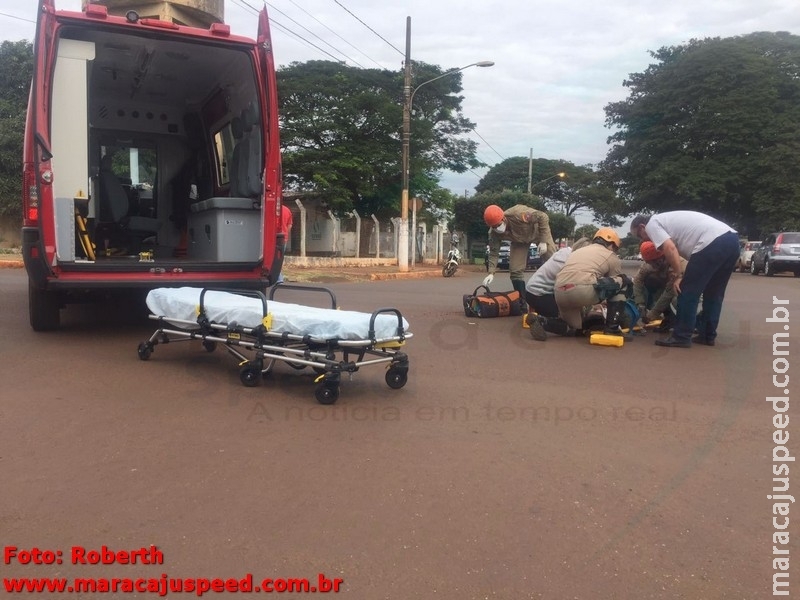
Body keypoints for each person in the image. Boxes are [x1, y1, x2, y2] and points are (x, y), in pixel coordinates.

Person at [630, 211, 740, 348]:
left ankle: (681, 336)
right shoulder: (666, 221)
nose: (644, 240)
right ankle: (707, 335)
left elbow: (670, 248)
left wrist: (679, 275)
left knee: (686, 291)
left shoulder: (652, 224)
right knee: (714, 293)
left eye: (640, 236)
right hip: (732, 241)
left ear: (642, 227)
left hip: (710, 242)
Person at [547, 228, 633, 340]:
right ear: (612, 245)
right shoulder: (610, 255)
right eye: (615, 248)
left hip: (559, 292)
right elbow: (615, 284)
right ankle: (612, 329)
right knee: (624, 281)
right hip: (582, 291)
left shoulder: (577, 252)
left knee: (576, 329)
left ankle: (544, 322)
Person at [482, 204, 557, 304]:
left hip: (538, 233)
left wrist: (543, 240)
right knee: (515, 270)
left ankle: (561, 294)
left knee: (554, 261)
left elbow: (542, 216)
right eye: (493, 226)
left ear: (504, 218)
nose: (497, 228)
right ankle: (522, 301)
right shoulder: (493, 233)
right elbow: (494, 252)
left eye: (498, 225)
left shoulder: (518, 214)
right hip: (519, 241)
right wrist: (491, 272)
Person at [524, 237, 591, 341]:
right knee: (573, 327)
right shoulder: (570, 264)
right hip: (541, 295)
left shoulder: (565, 252)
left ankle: (541, 317)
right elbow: (567, 290)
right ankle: (541, 322)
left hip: (532, 292)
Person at [632, 241, 687, 332]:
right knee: (651, 280)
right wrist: (640, 303)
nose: (652, 266)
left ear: (661, 258)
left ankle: (692, 322)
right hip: (670, 289)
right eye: (649, 263)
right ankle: (670, 318)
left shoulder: (677, 264)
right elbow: (637, 281)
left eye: (653, 262)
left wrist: (652, 314)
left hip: (688, 291)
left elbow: (668, 293)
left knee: (676, 301)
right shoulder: (648, 266)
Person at [276, 203, 294, 284]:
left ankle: (279, 278)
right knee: (280, 258)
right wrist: (286, 233)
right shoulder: (287, 210)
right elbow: (289, 225)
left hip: (273, 236)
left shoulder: (273, 208)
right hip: (284, 237)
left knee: (273, 258)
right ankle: (278, 278)